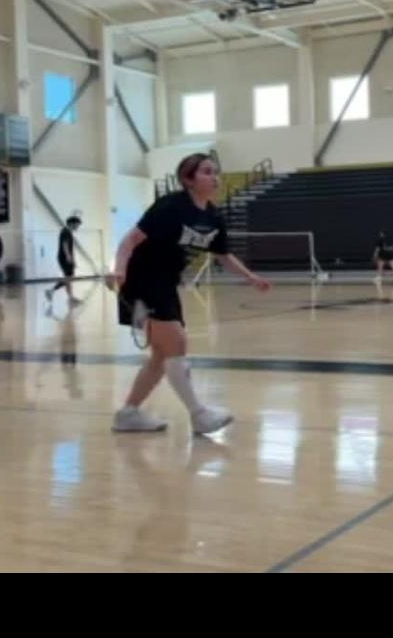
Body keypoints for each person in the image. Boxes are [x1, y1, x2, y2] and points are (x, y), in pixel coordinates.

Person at [108, 153, 271, 435]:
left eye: (215, 171)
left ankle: (128, 413)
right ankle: (199, 414)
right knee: (177, 343)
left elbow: (223, 255)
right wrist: (119, 269)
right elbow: (131, 239)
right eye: (206, 172)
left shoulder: (214, 217)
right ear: (188, 180)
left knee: (161, 355)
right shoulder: (171, 206)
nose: (214, 176)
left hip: (167, 284)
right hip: (142, 280)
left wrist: (251, 277)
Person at [46, 214, 82, 305]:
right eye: (77, 224)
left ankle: (69, 297)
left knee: (69, 278)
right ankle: (52, 292)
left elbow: (68, 246)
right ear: (72, 223)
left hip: (65, 257)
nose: (78, 227)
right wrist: (68, 256)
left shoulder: (68, 232)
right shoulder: (65, 231)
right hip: (64, 258)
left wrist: (72, 258)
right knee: (68, 278)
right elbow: (64, 245)